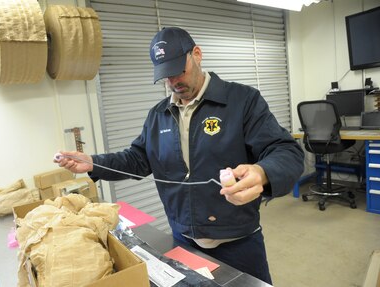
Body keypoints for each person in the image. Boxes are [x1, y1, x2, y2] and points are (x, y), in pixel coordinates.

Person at [56, 27, 304, 284]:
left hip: (239, 242)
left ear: (197, 54)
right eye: (166, 76)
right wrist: (93, 163)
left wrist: (262, 172)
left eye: (178, 71)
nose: (174, 81)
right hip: (184, 240)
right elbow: (137, 159)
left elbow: (286, 151)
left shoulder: (242, 101)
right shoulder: (158, 115)